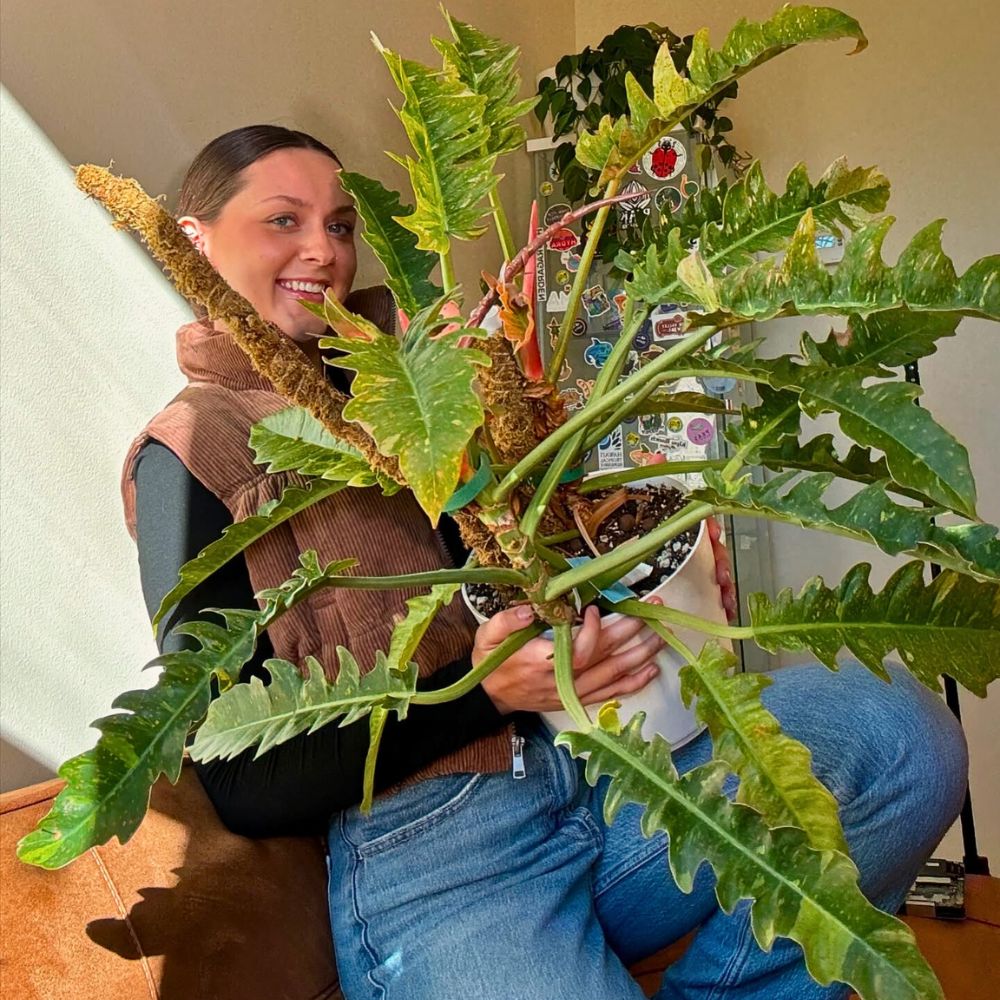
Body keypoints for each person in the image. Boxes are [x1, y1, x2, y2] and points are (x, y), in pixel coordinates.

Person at [125, 125, 968, 1000]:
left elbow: (509, 575)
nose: (323, 251)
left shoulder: (418, 387)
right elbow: (241, 778)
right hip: (429, 861)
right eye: (284, 220)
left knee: (902, 741)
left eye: (341, 225)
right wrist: (485, 691)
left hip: (586, 785)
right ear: (194, 243)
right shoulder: (188, 452)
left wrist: (631, 578)